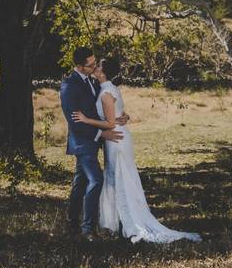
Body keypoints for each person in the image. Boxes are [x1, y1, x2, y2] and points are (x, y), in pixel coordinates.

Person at [73, 58, 201, 244]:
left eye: (98, 66)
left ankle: (131, 221)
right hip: (117, 137)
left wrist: (86, 120)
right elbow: (117, 114)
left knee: (121, 178)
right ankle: (118, 222)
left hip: (116, 139)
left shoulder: (107, 92)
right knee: (116, 178)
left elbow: (109, 123)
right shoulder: (108, 88)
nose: (95, 68)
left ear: (103, 72)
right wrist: (124, 116)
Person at [59, 46, 127, 240]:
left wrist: (123, 115)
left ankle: (71, 222)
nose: (95, 66)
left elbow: (107, 104)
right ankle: (88, 229)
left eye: (95, 62)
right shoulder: (69, 86)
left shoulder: (93, 81)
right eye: (91, 65)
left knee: (80, 183)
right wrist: (101, 134)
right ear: (79, 66)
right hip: (82, 141)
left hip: (94, 140)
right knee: (96, 180)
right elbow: (75, 122)